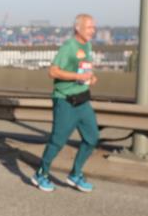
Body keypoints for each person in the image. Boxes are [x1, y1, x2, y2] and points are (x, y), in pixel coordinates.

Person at [30, 13, 101, 193]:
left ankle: (75, 174)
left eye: (94, 27)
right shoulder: (68, 46)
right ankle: (40, 174)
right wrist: (78, 77)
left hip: (83, 101)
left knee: (92, 138)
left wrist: (91, 77)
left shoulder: (87, 45)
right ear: (78, 28)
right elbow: (53, 72)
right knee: (58, 141)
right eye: (89, 27)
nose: (93, 31)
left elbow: (84, 69)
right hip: (65, 101)